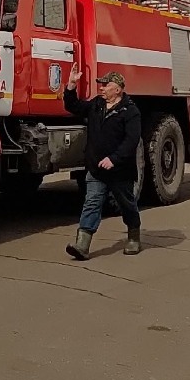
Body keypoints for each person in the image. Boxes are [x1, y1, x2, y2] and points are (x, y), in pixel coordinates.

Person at [63, 68, 143, 259]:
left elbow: (131, 141)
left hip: (120, 171)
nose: (102, 88)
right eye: (101, 84)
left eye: (106, 85)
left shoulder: (130, 111)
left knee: (127, 205)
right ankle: (82, 245)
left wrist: (114, 159)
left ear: (118, 89)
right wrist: (71, 85)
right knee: (91, 202)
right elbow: (73, 106)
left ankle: (133, 236)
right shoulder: (97, 104)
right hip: (96, 168)